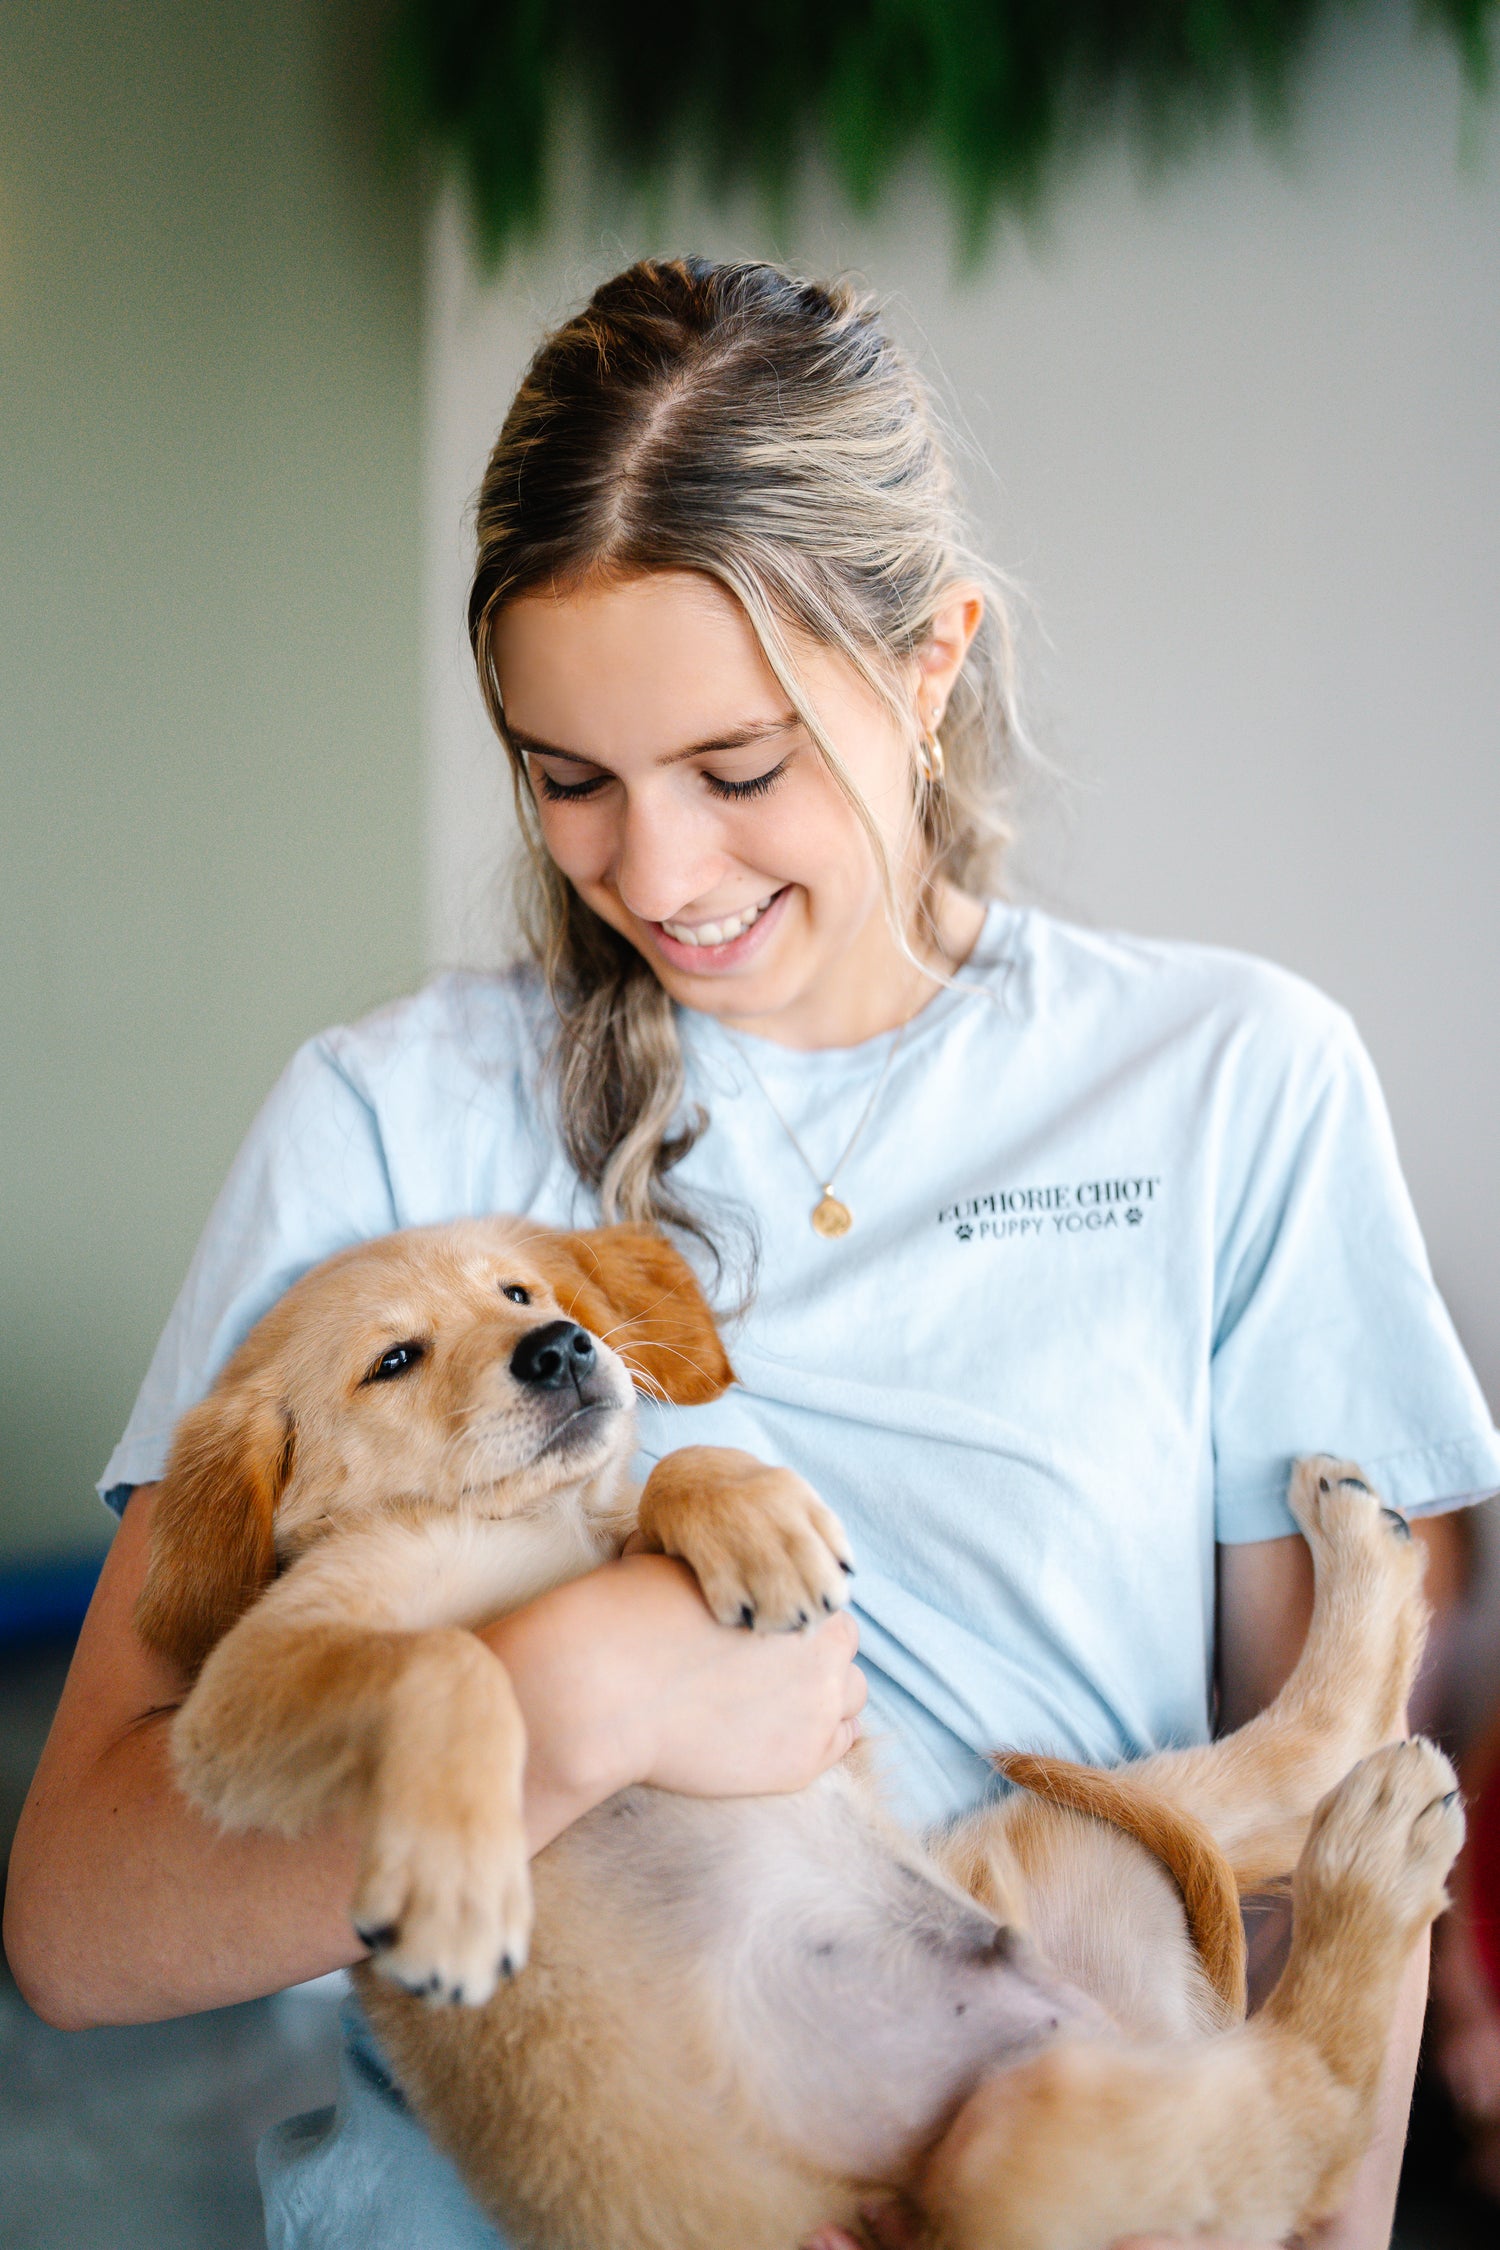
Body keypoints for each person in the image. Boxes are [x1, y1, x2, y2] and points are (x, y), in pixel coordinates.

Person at [7, 257, 1499, 2250]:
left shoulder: (1230, 1083)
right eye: (571, 785)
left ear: (932, 660)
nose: (663, 875)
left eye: (740, 770)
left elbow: (1324, 1850)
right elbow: (82, 1925)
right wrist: (579, 1699)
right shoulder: (386, 1123)